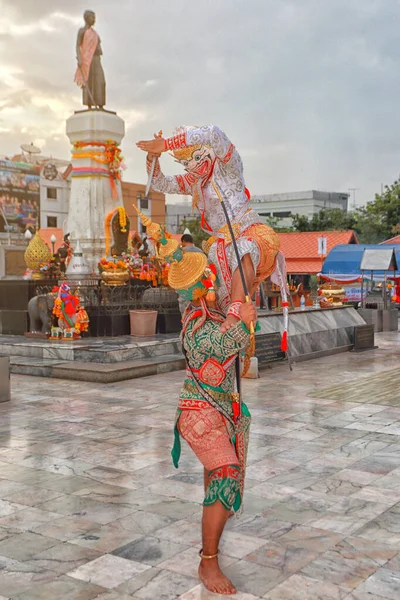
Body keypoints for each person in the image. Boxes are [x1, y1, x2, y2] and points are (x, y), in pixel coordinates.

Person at [157, 231, 254, 595]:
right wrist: (243, 319)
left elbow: (239, 292)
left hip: (222, 411)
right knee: (225, 472)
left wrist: (245, 255)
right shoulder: (196, 326)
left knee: (218, 476)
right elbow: (226, 341)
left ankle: (212, 526)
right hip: (198, 413)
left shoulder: (210, 310)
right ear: (199, 286)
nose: (214, 280)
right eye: (209, 276)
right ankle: (207, 560)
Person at [136, 125, 283, 338]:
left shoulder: (227, 166)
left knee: (242, 248)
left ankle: (234, 312)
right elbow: (161, 183)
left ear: (207, 150)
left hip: (249, 233)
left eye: (195, 158)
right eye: (186, 163)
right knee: (207, 283)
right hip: (219, 244)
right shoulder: (194, 181)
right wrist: (153, 157)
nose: (192, 166)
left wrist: (167, 143)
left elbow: (214, 133)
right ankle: (228, 337)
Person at [75, 10, 106, 109]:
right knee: (89, 81)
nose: (94, 19)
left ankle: (100, 103)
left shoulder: (95, 33)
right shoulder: (82, 31)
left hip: (97, 59)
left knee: (100, 81)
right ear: (87, 18)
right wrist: (79, 58)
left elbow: (98, 45)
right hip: (87, 59)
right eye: (93, 17)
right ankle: (89, 104)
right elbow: (77, 45)